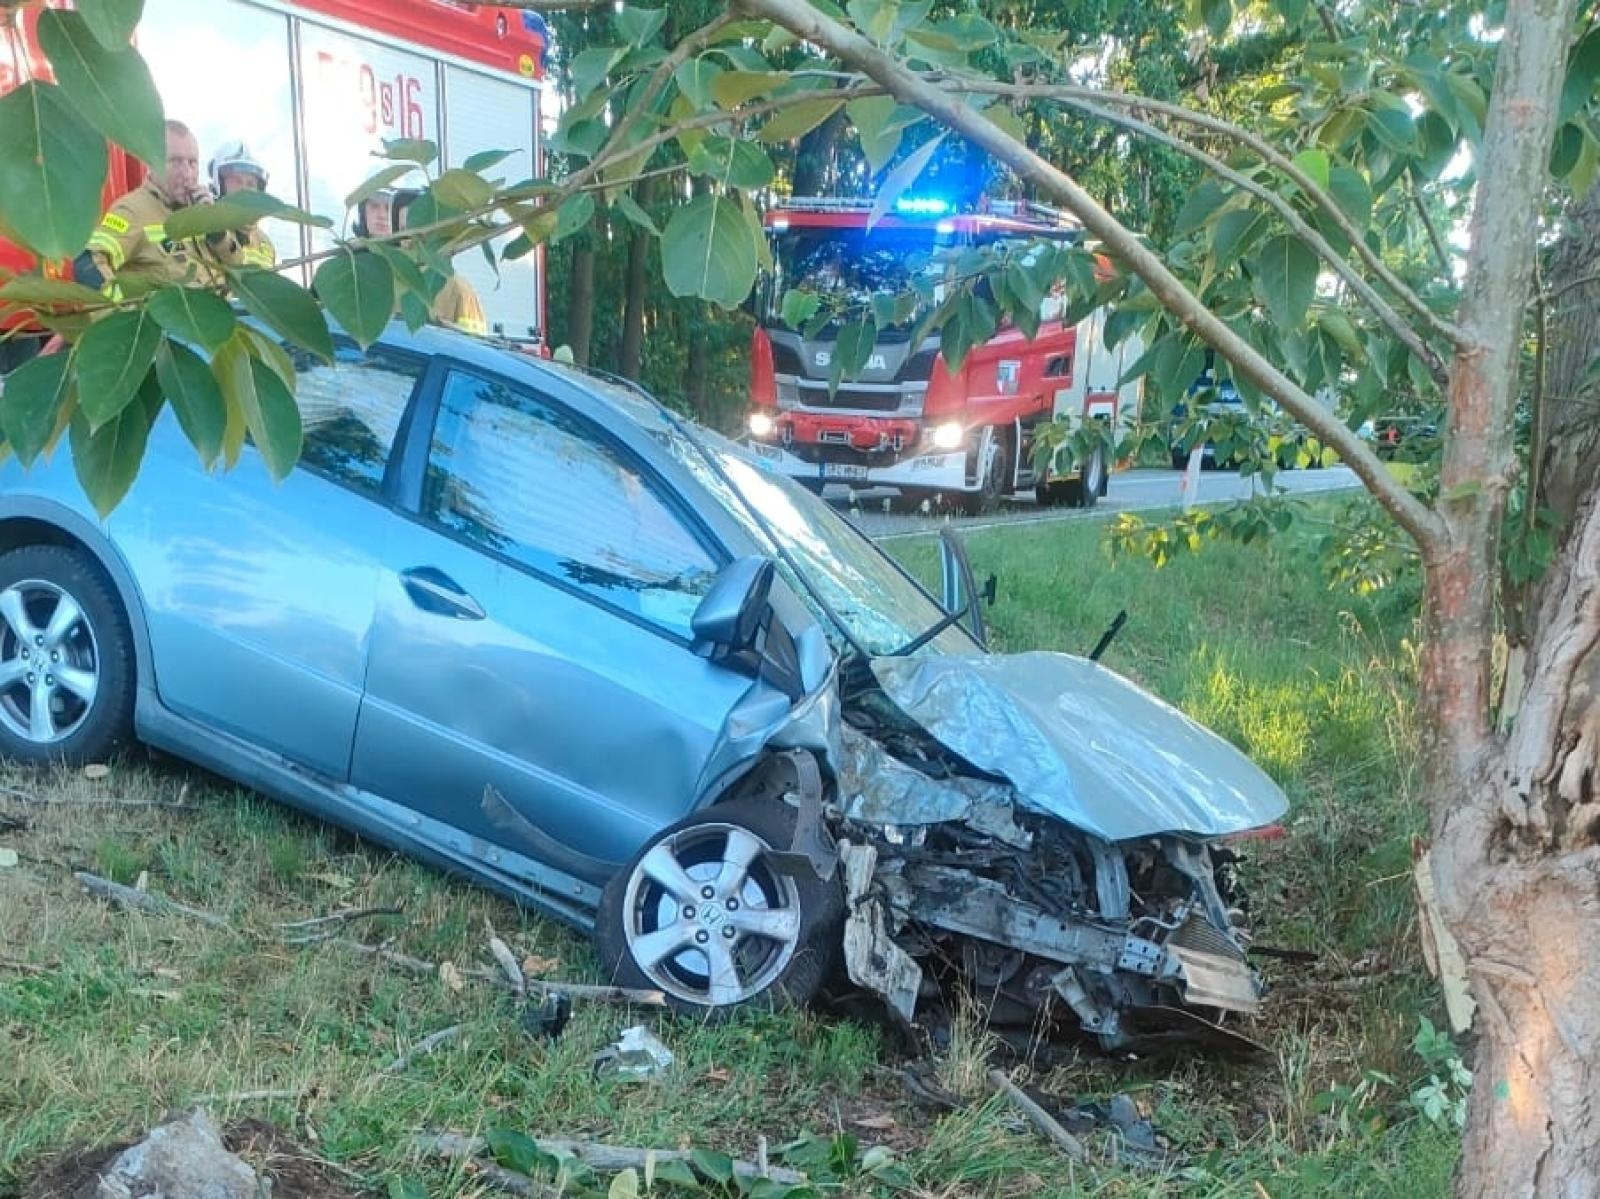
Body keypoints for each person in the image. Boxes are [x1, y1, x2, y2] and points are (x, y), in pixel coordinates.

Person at [83, 120, 228, 297]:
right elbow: (88, 264)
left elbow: (239, 271)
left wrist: (217, 231)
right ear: (152, 162)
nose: (187, 173)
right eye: (175, 162)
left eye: (192, 163)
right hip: (171, 322)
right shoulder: (132, 210)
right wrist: (122, 315)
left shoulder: (201, 211)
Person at [391, 188, 488, 336]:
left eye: (420, 231)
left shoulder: (460, 290)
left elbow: (477, 351)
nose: (412, 240)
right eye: (404, 231)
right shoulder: (384, 285)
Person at [207, 141, 277, 269]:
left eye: (250, 183)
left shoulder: (266, 246)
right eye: (237, 181)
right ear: (219, 184)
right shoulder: (204, 229)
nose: (244, 189)